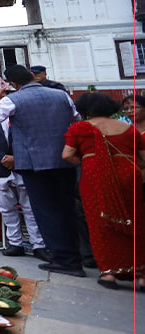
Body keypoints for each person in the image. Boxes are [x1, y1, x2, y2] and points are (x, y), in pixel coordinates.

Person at [0, 64, 83, 277]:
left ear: (13, 84)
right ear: (31, 76)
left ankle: (62, 259)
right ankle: (74, 257)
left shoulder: (13, 99)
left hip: (33, 163)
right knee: (66, 208)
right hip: (63, 160)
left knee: (45, 211)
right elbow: (77, 120)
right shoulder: (61, 95)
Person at [62, 93, 145, 291]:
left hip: (95, 175)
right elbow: (143, 158)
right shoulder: (129, 129)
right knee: (135, 220)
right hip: (128, 174)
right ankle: (141, 275)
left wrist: (89, 160)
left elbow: (67, 155)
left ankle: (109, 273)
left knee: (101, 222)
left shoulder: (80, 128)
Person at [0, 107, 47, 259]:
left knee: (30, 209)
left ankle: (38, 245)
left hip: (23, 167)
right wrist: (2, 158)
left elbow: (34, 138)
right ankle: (15, 243)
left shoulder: (24, 114)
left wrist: (17, 159)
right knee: (7, 209)